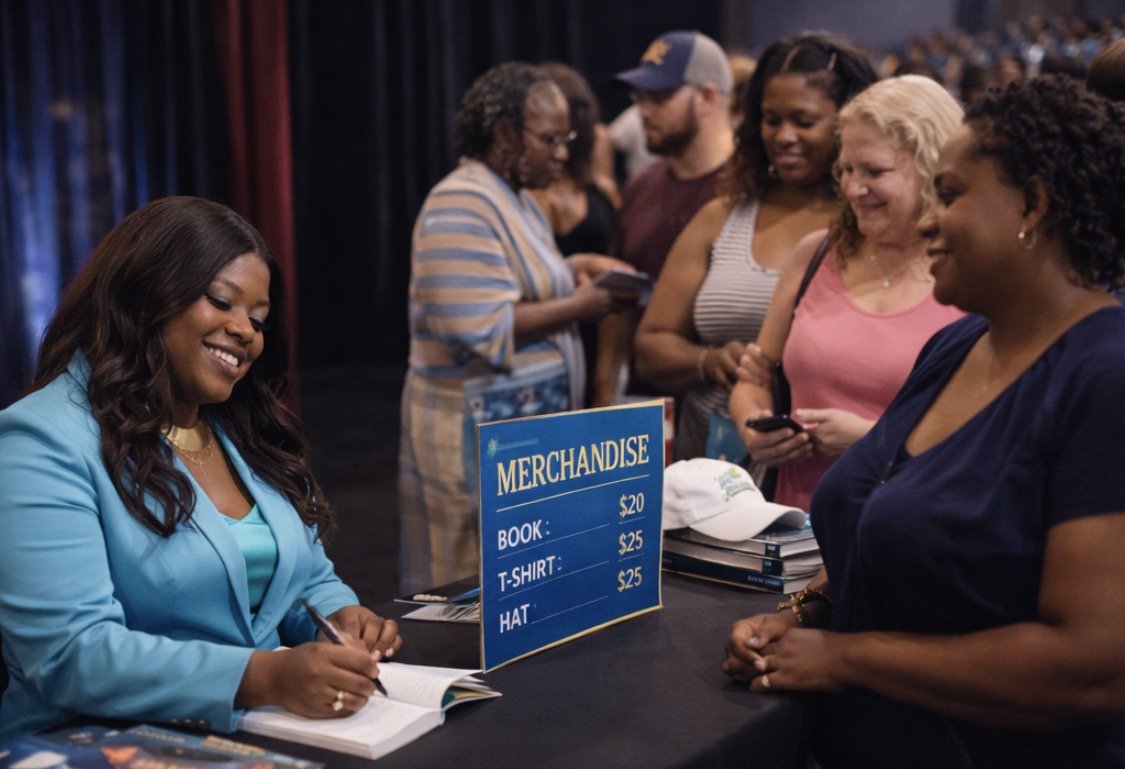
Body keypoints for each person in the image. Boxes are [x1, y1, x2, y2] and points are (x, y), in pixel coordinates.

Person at [723, 75, 1125, 769]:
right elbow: (885, 537)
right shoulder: (957, 345)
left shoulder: (1103, 374)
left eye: (952, 194)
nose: (929, 220)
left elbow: (1089, 666)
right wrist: (802, 617)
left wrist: (846, 656)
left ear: (1031, 203)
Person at [0, 197, 402, 739]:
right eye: (222, 301)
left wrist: (339, 619)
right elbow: (72, 655)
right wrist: (262, 676)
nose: (246, 332)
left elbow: (306, 576)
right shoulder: (40, 440)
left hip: (254, 729)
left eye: (258, 320)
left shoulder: (238, 428)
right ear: (144, 295)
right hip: (94, 738)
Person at [398, 62, 635, 594]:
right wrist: (584, 304)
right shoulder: (461, 200)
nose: (562, 154)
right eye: (549, 139)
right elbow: (482, 324)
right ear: (504, 134)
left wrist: (579, 269)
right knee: (465, 585)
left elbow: (519, 283)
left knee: (520, 590)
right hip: (470, 440)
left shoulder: (518, 198)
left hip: (512, 438)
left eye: (567, 139)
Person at [634, 33, 878, 460]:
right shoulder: (721, 216)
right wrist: (707, 360)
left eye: (804, 121)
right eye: (770, 119)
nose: (784, 136)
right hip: (714, 462)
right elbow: (651, 344)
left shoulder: (871, 223)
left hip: (822, 463)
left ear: (848, 123)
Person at [727, 76, 965, 511]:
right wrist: (755, 428)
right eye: (847, 169)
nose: (854, 188)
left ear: (933, 172)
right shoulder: (816, 254)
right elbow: (753, 377)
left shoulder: (969, 280)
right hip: (794, 534)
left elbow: (983, 444)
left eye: (874, 171)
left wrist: (870, 441)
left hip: (904, 535)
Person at [597, 29, 736, 403]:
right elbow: (621, 300)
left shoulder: (751, 189)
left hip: (725, 407)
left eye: (658, 97)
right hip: (644, 403)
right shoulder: (641, 186)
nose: (642, 111)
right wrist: (604, 395)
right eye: (639, 97)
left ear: (707, 96)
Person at [530, 62, 621, 407]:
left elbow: (616, 290)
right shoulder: (515, 198)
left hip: (593, 335)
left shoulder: (600, 191)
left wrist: (605, 383)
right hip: (535, 336)